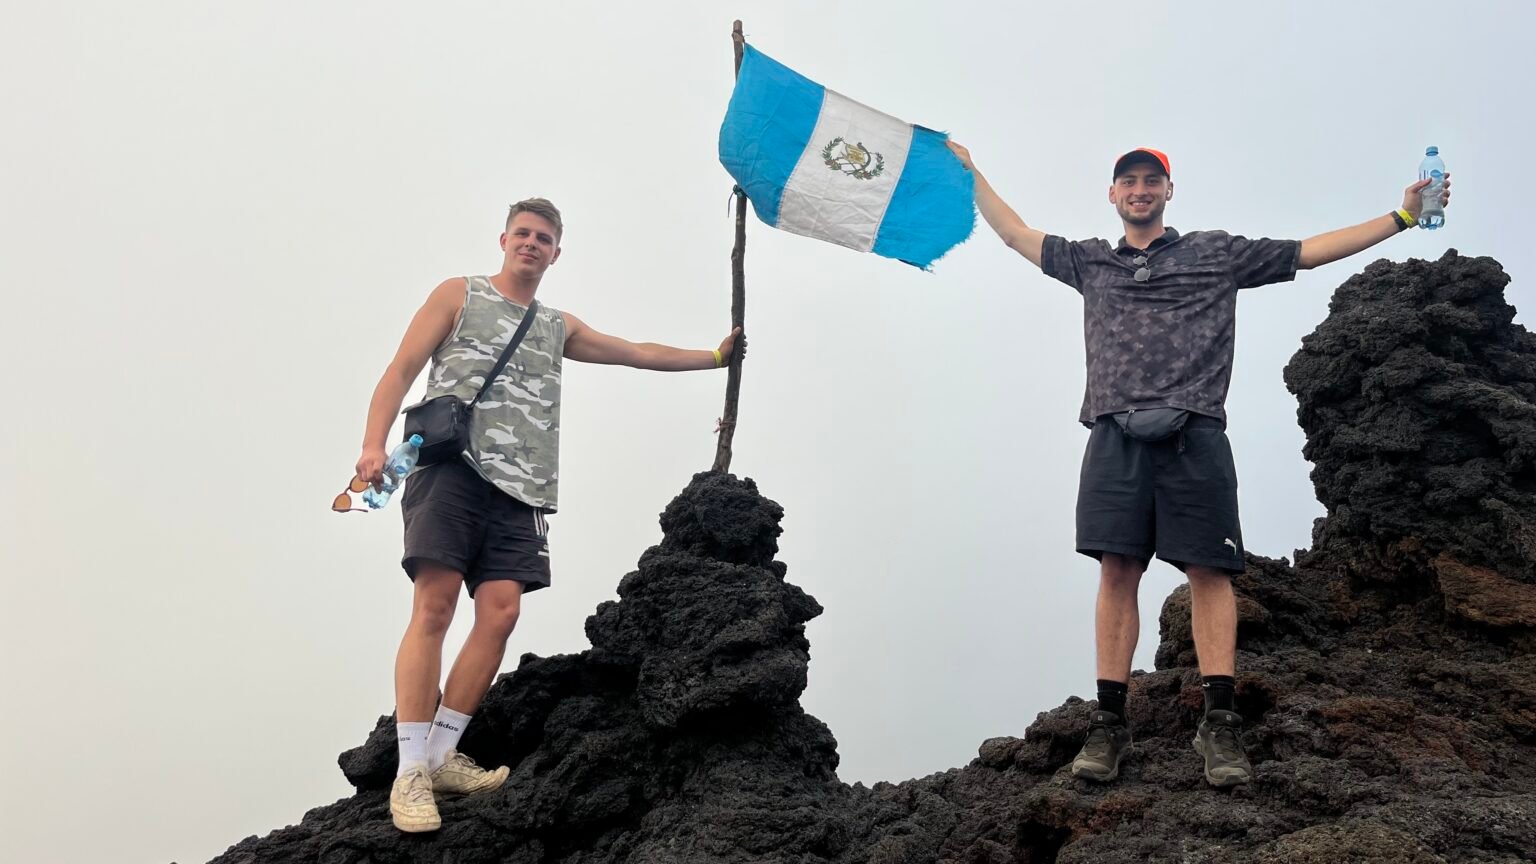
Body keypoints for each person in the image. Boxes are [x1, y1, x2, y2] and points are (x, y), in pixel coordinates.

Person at [946, 141, 1450, 787]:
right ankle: (1108, 725)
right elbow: (1015, 234)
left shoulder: (1214, 252)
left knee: (1209, 571)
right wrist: (971, 172)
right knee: (1117, 570)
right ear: (1112, 194)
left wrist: (1402, 218)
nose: (1139, 189)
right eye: (1127, 180)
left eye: (1150, 180)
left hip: (1196, 432)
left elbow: (1307, 252)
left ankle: (1219, 725)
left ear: (1168, 191)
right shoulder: (1090, 262)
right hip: (1114, 432)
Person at [352, 197, 741, 831]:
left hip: (522, 488)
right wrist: (373, 442)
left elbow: (631, 350)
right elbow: (400, 370)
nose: (532, 244)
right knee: (435, 606)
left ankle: (446, 755)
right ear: (503, 239)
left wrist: (714, 359)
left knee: (501, 612)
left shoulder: (556, 325)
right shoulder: (460, 293)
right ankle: (410, 771)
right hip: (450, 470)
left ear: (556, 253)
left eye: (544, 238)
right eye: (524, 234)